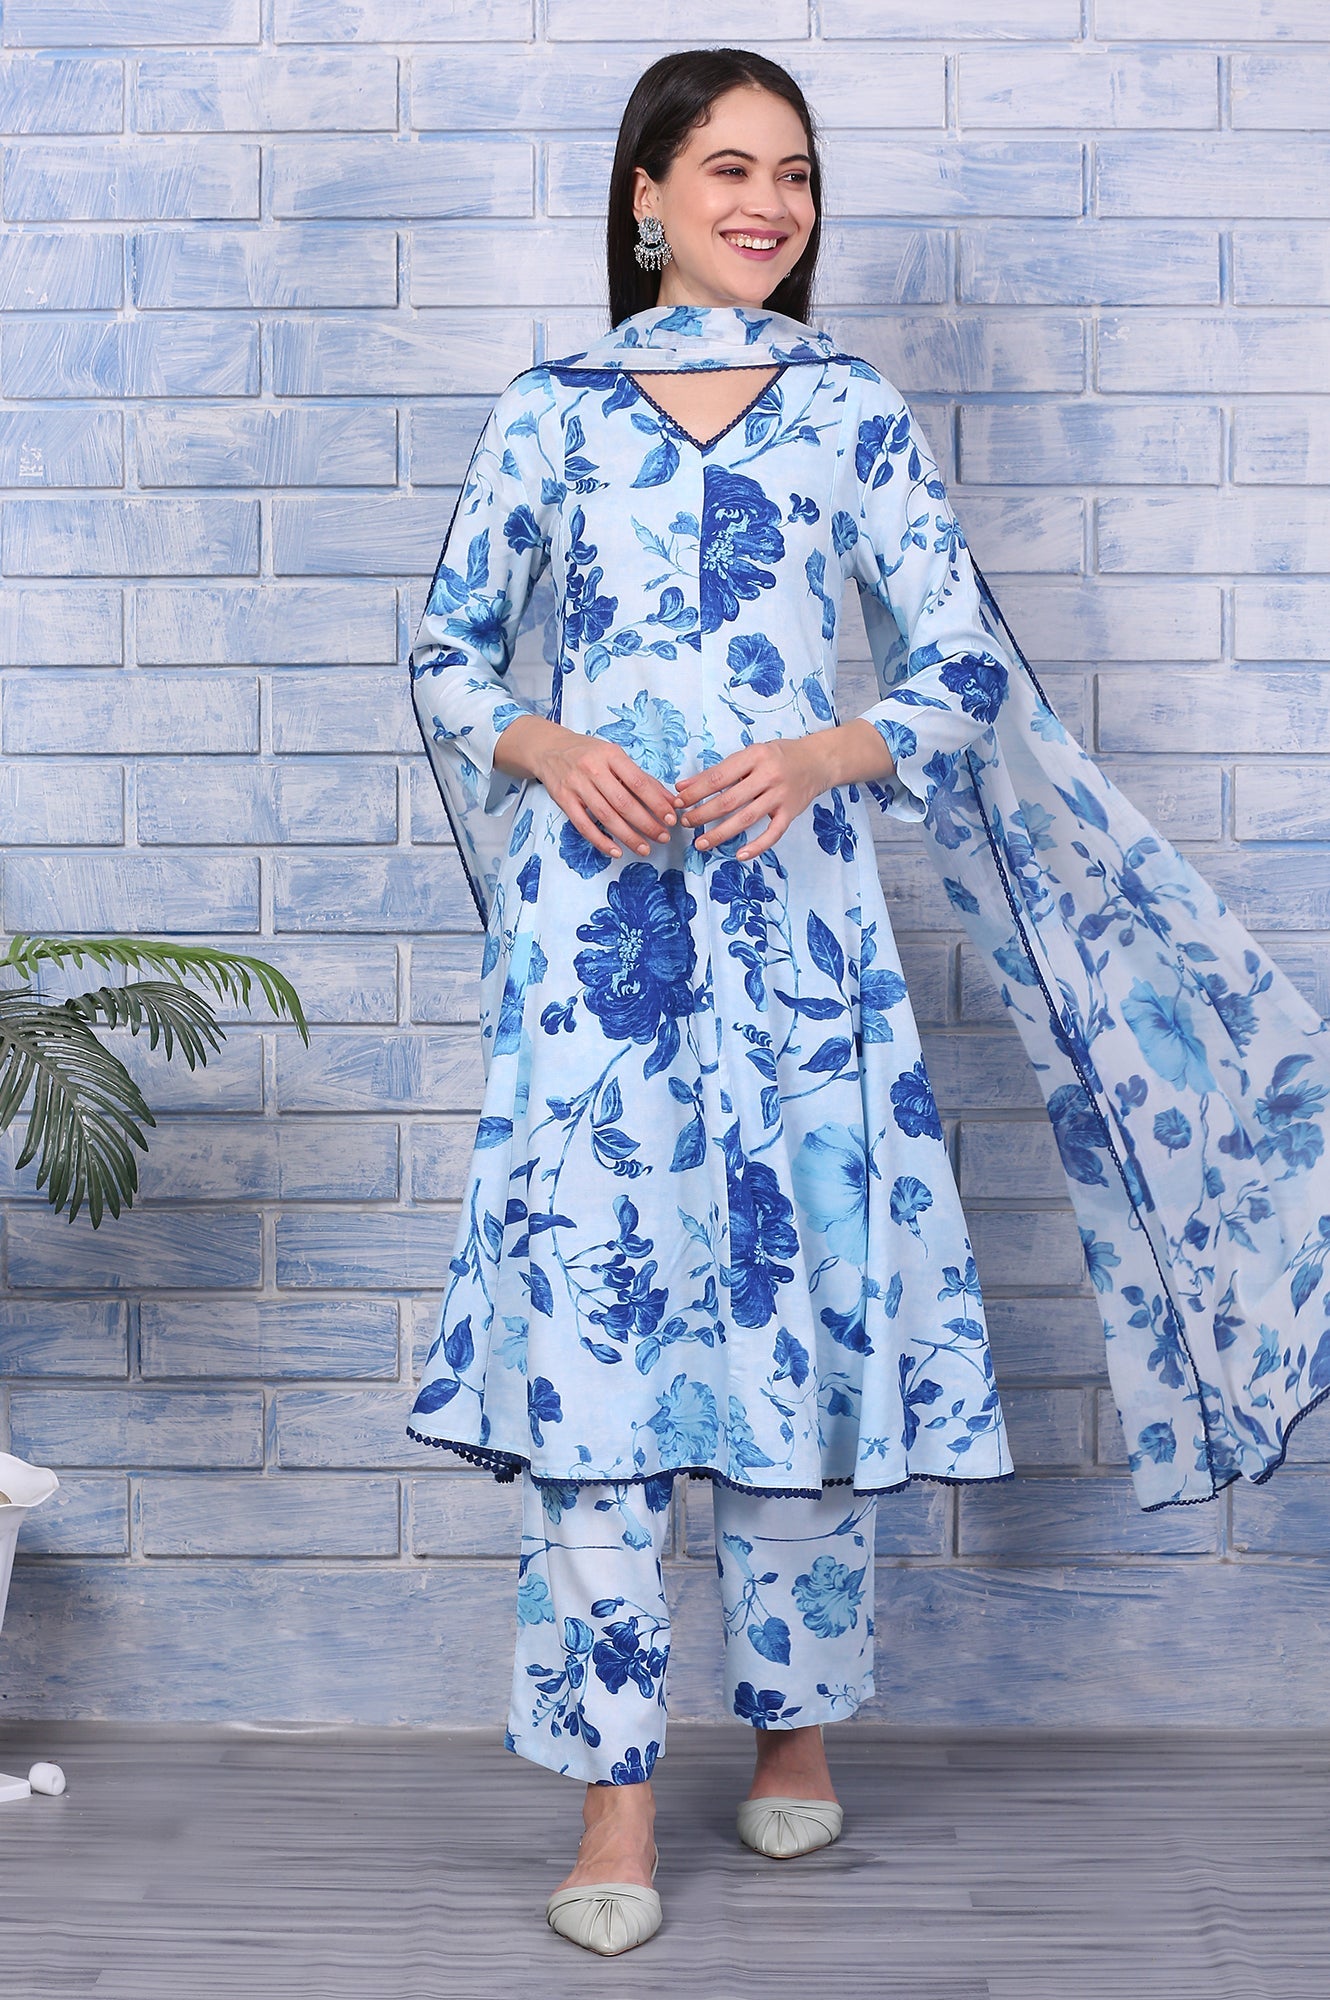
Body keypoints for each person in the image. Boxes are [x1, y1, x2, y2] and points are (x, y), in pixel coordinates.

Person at [408, 48, 1330, 1958]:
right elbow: (444, 651)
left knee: (806, 1304)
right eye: (729, 169)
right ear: (644, 194)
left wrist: (829, 749)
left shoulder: (850, 410)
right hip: (596, 951)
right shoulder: (549, 413)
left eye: (797, 175)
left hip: (802, 937)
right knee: (595, 1336)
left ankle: (794, 1731)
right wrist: (543, 745)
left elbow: (958, 666)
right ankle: (610, 1800)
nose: (769, 204)